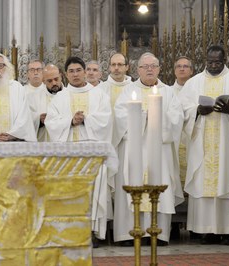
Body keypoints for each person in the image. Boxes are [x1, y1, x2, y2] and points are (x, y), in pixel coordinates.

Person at [178, 45, 229, 245]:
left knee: (226, 180)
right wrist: (196, 111)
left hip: (227, 142)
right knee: (204, 182)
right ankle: (207, 231)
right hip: (201, 142)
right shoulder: (193, 83)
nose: (213, 65)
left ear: (225, 59)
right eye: (209, 62)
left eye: (217, 62)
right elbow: (181, 110)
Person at [113, 52, 184, 245]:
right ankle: (129, 234)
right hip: (132, 150)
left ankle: (158, 234)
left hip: (159, 151)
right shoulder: (128, 91)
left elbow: (177, 120)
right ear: (138, 70)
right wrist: (141, 116)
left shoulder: (168, 92)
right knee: (131, 183)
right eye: (145, 67)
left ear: (160, 69)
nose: (150, 69)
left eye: (153, 66)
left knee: (158, 184)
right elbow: (119, 118)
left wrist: (156, 118)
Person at [45, 56, 112, 247]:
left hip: (92, 152)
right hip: (69, 154)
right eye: (71, 71)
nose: (75, 74)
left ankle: (91, 232)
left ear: (85, 72)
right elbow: (51, 122)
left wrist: (86, 119)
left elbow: (106, 120)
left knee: (92, 191)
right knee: (70, 192)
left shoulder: (99, 95)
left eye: (78, 70)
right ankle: (71, 231)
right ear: (66, 75)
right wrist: (69, 121)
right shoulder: (60, 98)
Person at [97, 52, 132, 246]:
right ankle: (110, 231)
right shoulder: (101, 90)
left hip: (128, 144)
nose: (117, 68)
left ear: (128, 67)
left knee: (125, 187)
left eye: (120, 64)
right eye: (113, 65)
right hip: (108, 143)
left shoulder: (135, 88)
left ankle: (127, 231)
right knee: (109, 188)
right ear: (109, 67)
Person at [170, 56, 194, 240]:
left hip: (191, 141)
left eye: (186, 66)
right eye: (179, 66)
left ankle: (193, 223)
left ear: (192, 70)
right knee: (172, 181)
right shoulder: (167, 91)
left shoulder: (196, 89)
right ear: (174, 70)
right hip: (173, 144)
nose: (182, 69)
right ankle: (173, 225)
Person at [28, 64, 63, 142]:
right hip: (43, 143)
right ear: (43, 81)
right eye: (49, 81)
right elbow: (26, 121)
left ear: (61, 76)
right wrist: (39, 120)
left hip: (65, 144)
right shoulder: (33, 97)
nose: (54, 83)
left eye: (56, 79)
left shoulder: (69, 94)